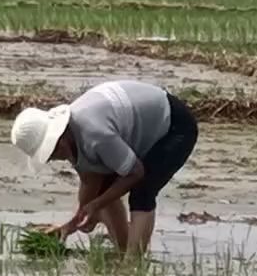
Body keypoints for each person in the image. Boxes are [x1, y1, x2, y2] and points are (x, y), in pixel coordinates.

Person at [10, 80, 199, 258]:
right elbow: (90, 180)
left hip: (174, 126)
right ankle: (123, 248)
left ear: (59, 143)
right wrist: (72, 225)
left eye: (50, 154)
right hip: (135, 128)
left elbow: (136, 172)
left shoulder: (95, 134)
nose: (52, 160)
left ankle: (134, 264)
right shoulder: (73, 136)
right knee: (104, 189)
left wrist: (95, 205)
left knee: (143, 190)